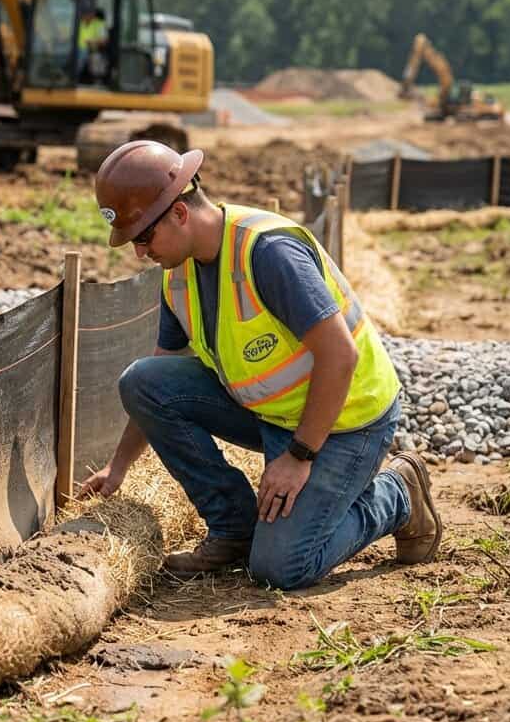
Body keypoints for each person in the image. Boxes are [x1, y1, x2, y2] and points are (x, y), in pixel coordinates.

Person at [82, 140, 442, 590]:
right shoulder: (179, 273)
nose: (139, 252)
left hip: (346, 420)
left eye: (142, 237)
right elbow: (159, 375)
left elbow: (339, 354)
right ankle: (234, 528)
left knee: (282, 567)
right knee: (142, 382)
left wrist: (298, 456)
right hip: (274, 414)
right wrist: (118, 468)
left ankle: (398, 494)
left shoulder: (267, 253)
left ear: (178, 213)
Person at [77, 5, 107, 83]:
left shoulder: (99, 24)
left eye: (88, 13)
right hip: (76, 49)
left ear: (92, 14)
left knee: (83, 54)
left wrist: (92, 41)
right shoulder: (79, 23)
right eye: (83, 14)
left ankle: (75, 77)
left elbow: (104, 41)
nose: (84, 16)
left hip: (91, 50)